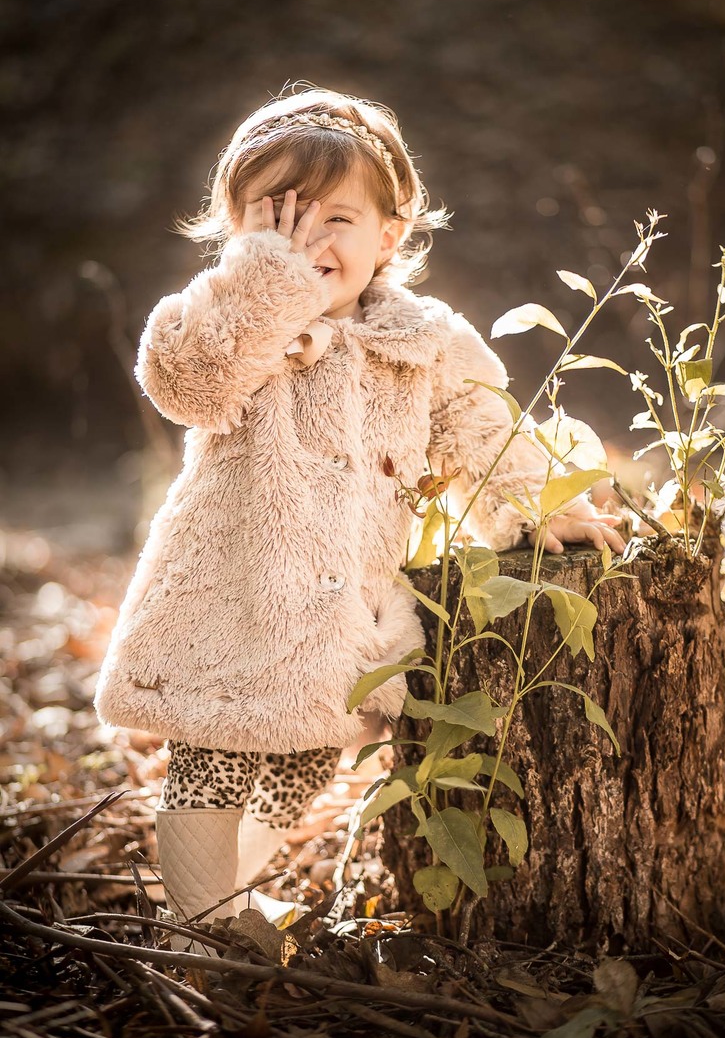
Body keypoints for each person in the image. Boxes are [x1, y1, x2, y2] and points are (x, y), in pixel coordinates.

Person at [94, 85, 624, 945]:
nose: (308, 236)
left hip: (341, 616)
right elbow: (187, 382)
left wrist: (536, 505)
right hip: (228, 597)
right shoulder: (229, 320)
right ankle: (196, 936)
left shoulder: (423, 341)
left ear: (390, 237)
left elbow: (487, 429)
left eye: (335, 216)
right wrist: (265, 285)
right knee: (213, 766)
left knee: (303, 763)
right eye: (277, 215)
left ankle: (223, 902)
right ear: (233, 233)